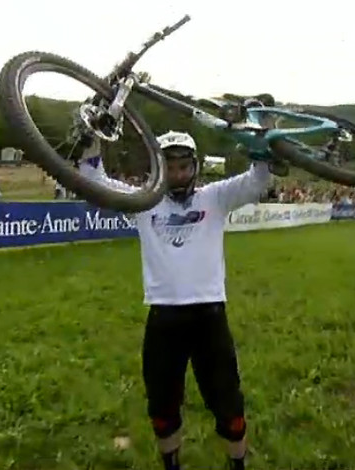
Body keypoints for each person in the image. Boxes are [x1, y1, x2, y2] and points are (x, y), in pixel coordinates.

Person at [78, 130, 271, 470]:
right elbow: (94, 181)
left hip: (209, 316)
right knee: (163, 407)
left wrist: (262, 142)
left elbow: (257, 181)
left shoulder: (215, 197)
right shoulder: (143, 201)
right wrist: (92, 139)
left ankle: (237, 466)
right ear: (158, 169)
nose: (179, 175)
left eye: (185, 166)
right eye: (171, 168)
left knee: (229, 406)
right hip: (163, 316)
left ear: (195, 167)